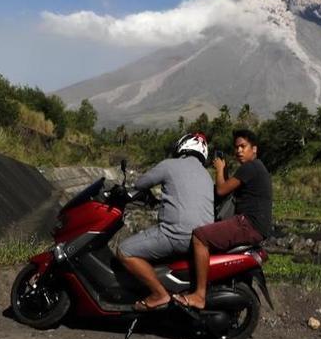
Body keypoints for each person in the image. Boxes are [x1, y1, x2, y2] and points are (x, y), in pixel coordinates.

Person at [173, 129, 272, 310]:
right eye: (237, 147)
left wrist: (219, 169)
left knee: (200, 236)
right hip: (253, 225)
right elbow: (228, 190)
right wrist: (224, 173)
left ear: (254, 149)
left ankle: (199, 295)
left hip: (248, 224)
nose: (239, 151)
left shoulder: (251, 167)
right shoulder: (256, 168)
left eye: (243, 146)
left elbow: (221, 190)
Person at [116, 133, 214, 311]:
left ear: (182, 146)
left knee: (124, 251)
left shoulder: (170, 165)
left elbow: (140, 183)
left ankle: (159, 294)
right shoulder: (206, 175)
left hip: (176, 234)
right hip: (202, 240)